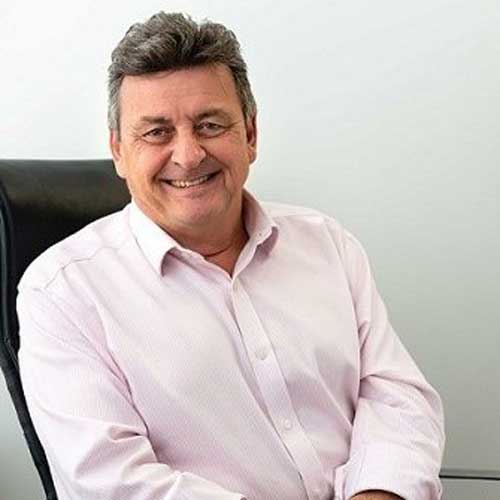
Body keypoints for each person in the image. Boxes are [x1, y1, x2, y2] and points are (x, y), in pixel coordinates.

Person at [17, 11, 445, 500]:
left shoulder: (327, 244)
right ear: (118, 151)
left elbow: (395, 394)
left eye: (210, 124)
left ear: (251, 134)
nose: (188, 155)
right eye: (156, 132)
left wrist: (378, 492)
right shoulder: (62, 293)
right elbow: (111, 481)